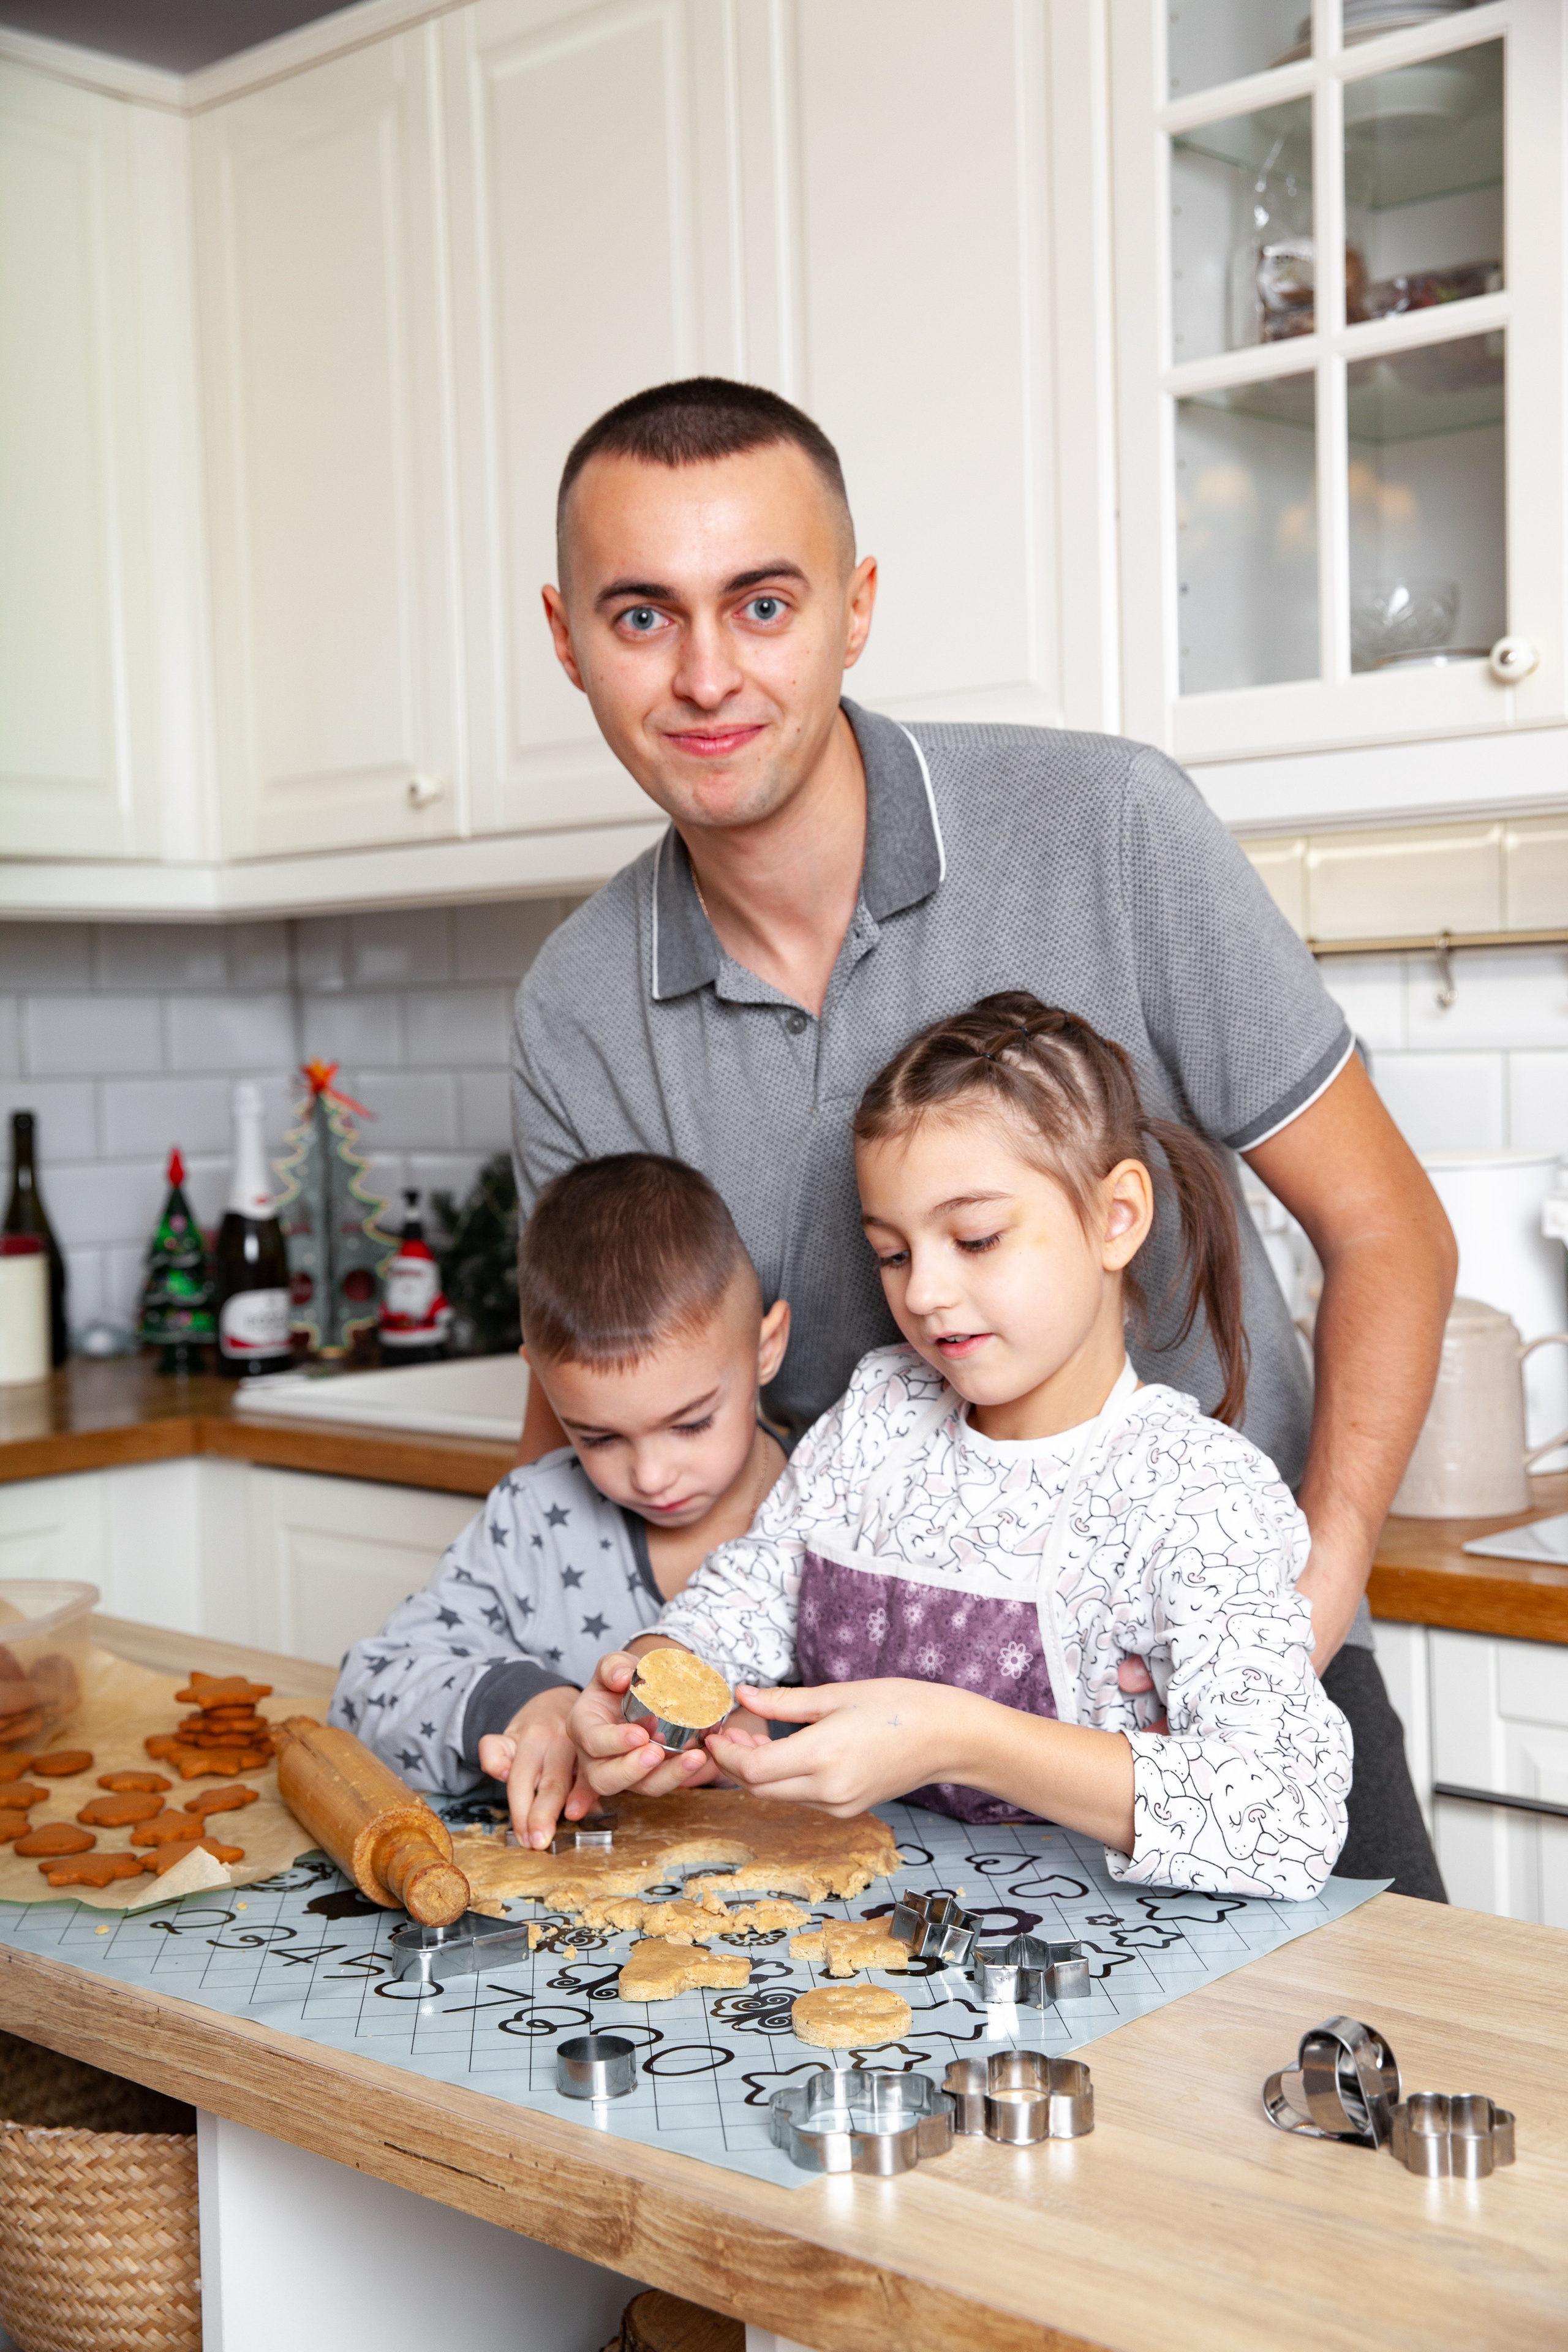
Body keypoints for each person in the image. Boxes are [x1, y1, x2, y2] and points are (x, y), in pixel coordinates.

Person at [511, 375, 1455, 1899]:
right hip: (871, 1758)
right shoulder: (575, 1002)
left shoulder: (1111, 828)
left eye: (760, 603)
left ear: (853, 606)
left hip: (1214, 1694)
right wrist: (596, 1683)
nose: (703, 674)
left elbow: (1388, 1231)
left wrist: (1309, 1603)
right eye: (639, 617)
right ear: (564, 636)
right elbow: (588, 1384)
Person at [566, 997, 1352, 1902]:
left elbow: (1289, 1817)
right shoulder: (881, 1410)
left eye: (975, 1239)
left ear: (1117, 1217)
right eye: (893, 1255)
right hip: (866, 1927)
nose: (927, 1293)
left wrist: (959, 1737)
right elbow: (758, 1588)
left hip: (1112, 1970)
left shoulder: (1195, 1493)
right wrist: (660, 1681)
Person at [328, 1155, 788, 1846]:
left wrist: (767, 1741)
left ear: (765, 1348)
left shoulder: (840, 1513)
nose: (652, 1475)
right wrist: (522, 1706)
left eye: (690, 1423)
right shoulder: (535, 1522)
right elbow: (364, 1694)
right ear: (545, 1387)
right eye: (599, 1436)